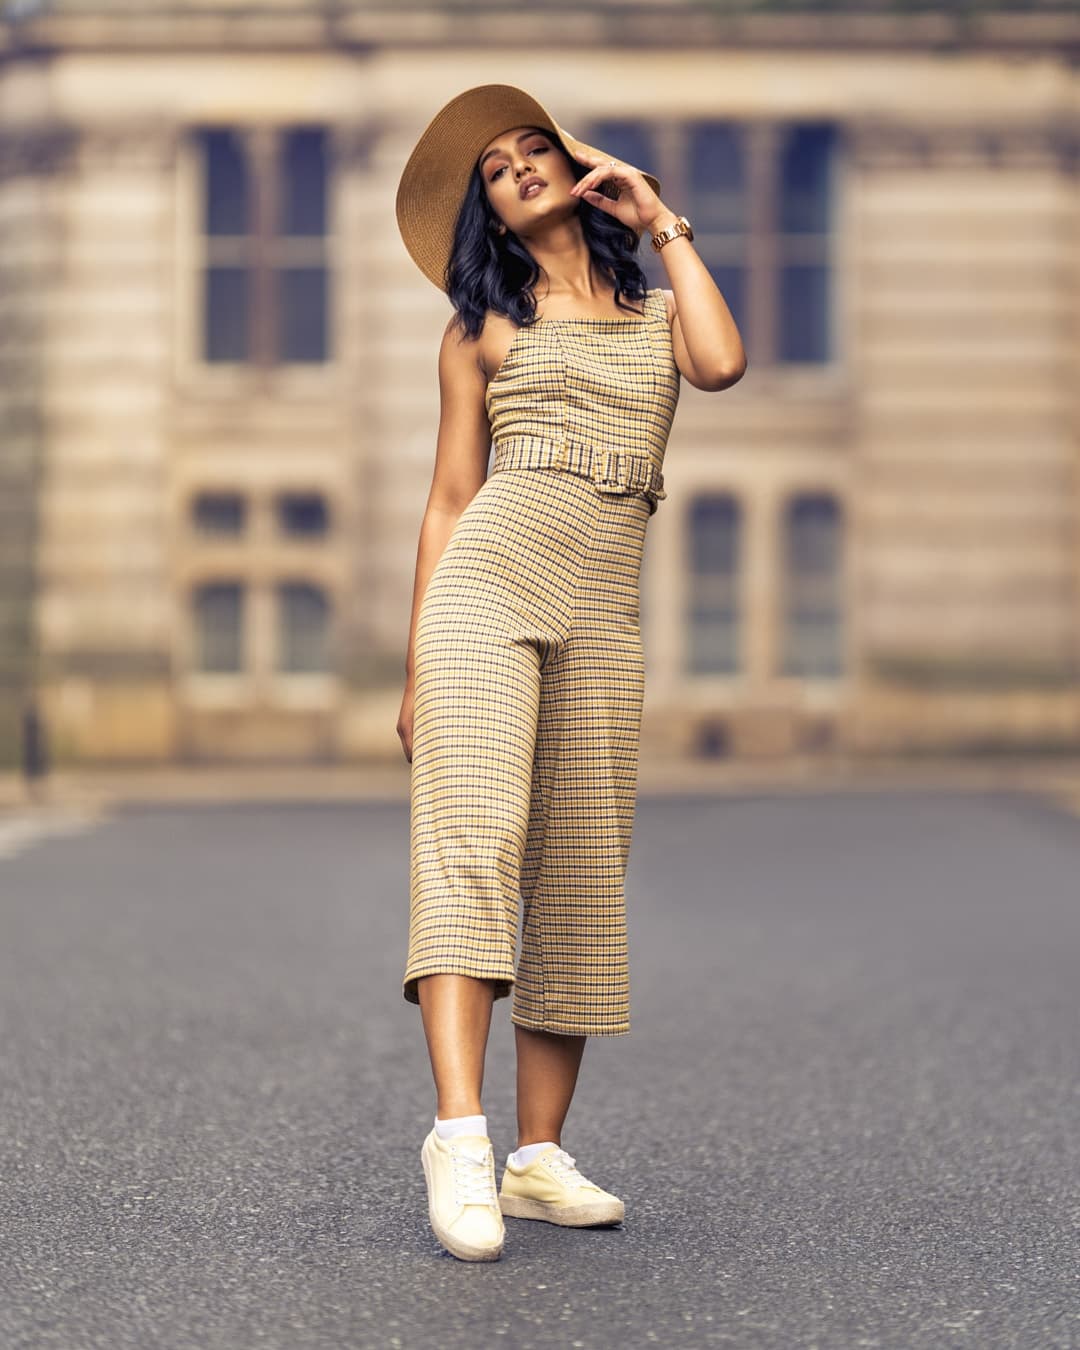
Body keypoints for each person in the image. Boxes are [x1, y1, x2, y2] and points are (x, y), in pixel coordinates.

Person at [394, 83, 746, 1262]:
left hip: (605, 606)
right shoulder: (480, 328)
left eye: (533, 149)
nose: (517, 169)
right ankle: (461, 1138)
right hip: (487, 590)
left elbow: (724, 364)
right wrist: (413, 665)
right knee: (474, 846)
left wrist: (661, 219)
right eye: (494, 169)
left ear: (579, 170)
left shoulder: (654, 305)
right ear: (487, 214)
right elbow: (449, 500)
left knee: (583, 878)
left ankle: (540, 1157)